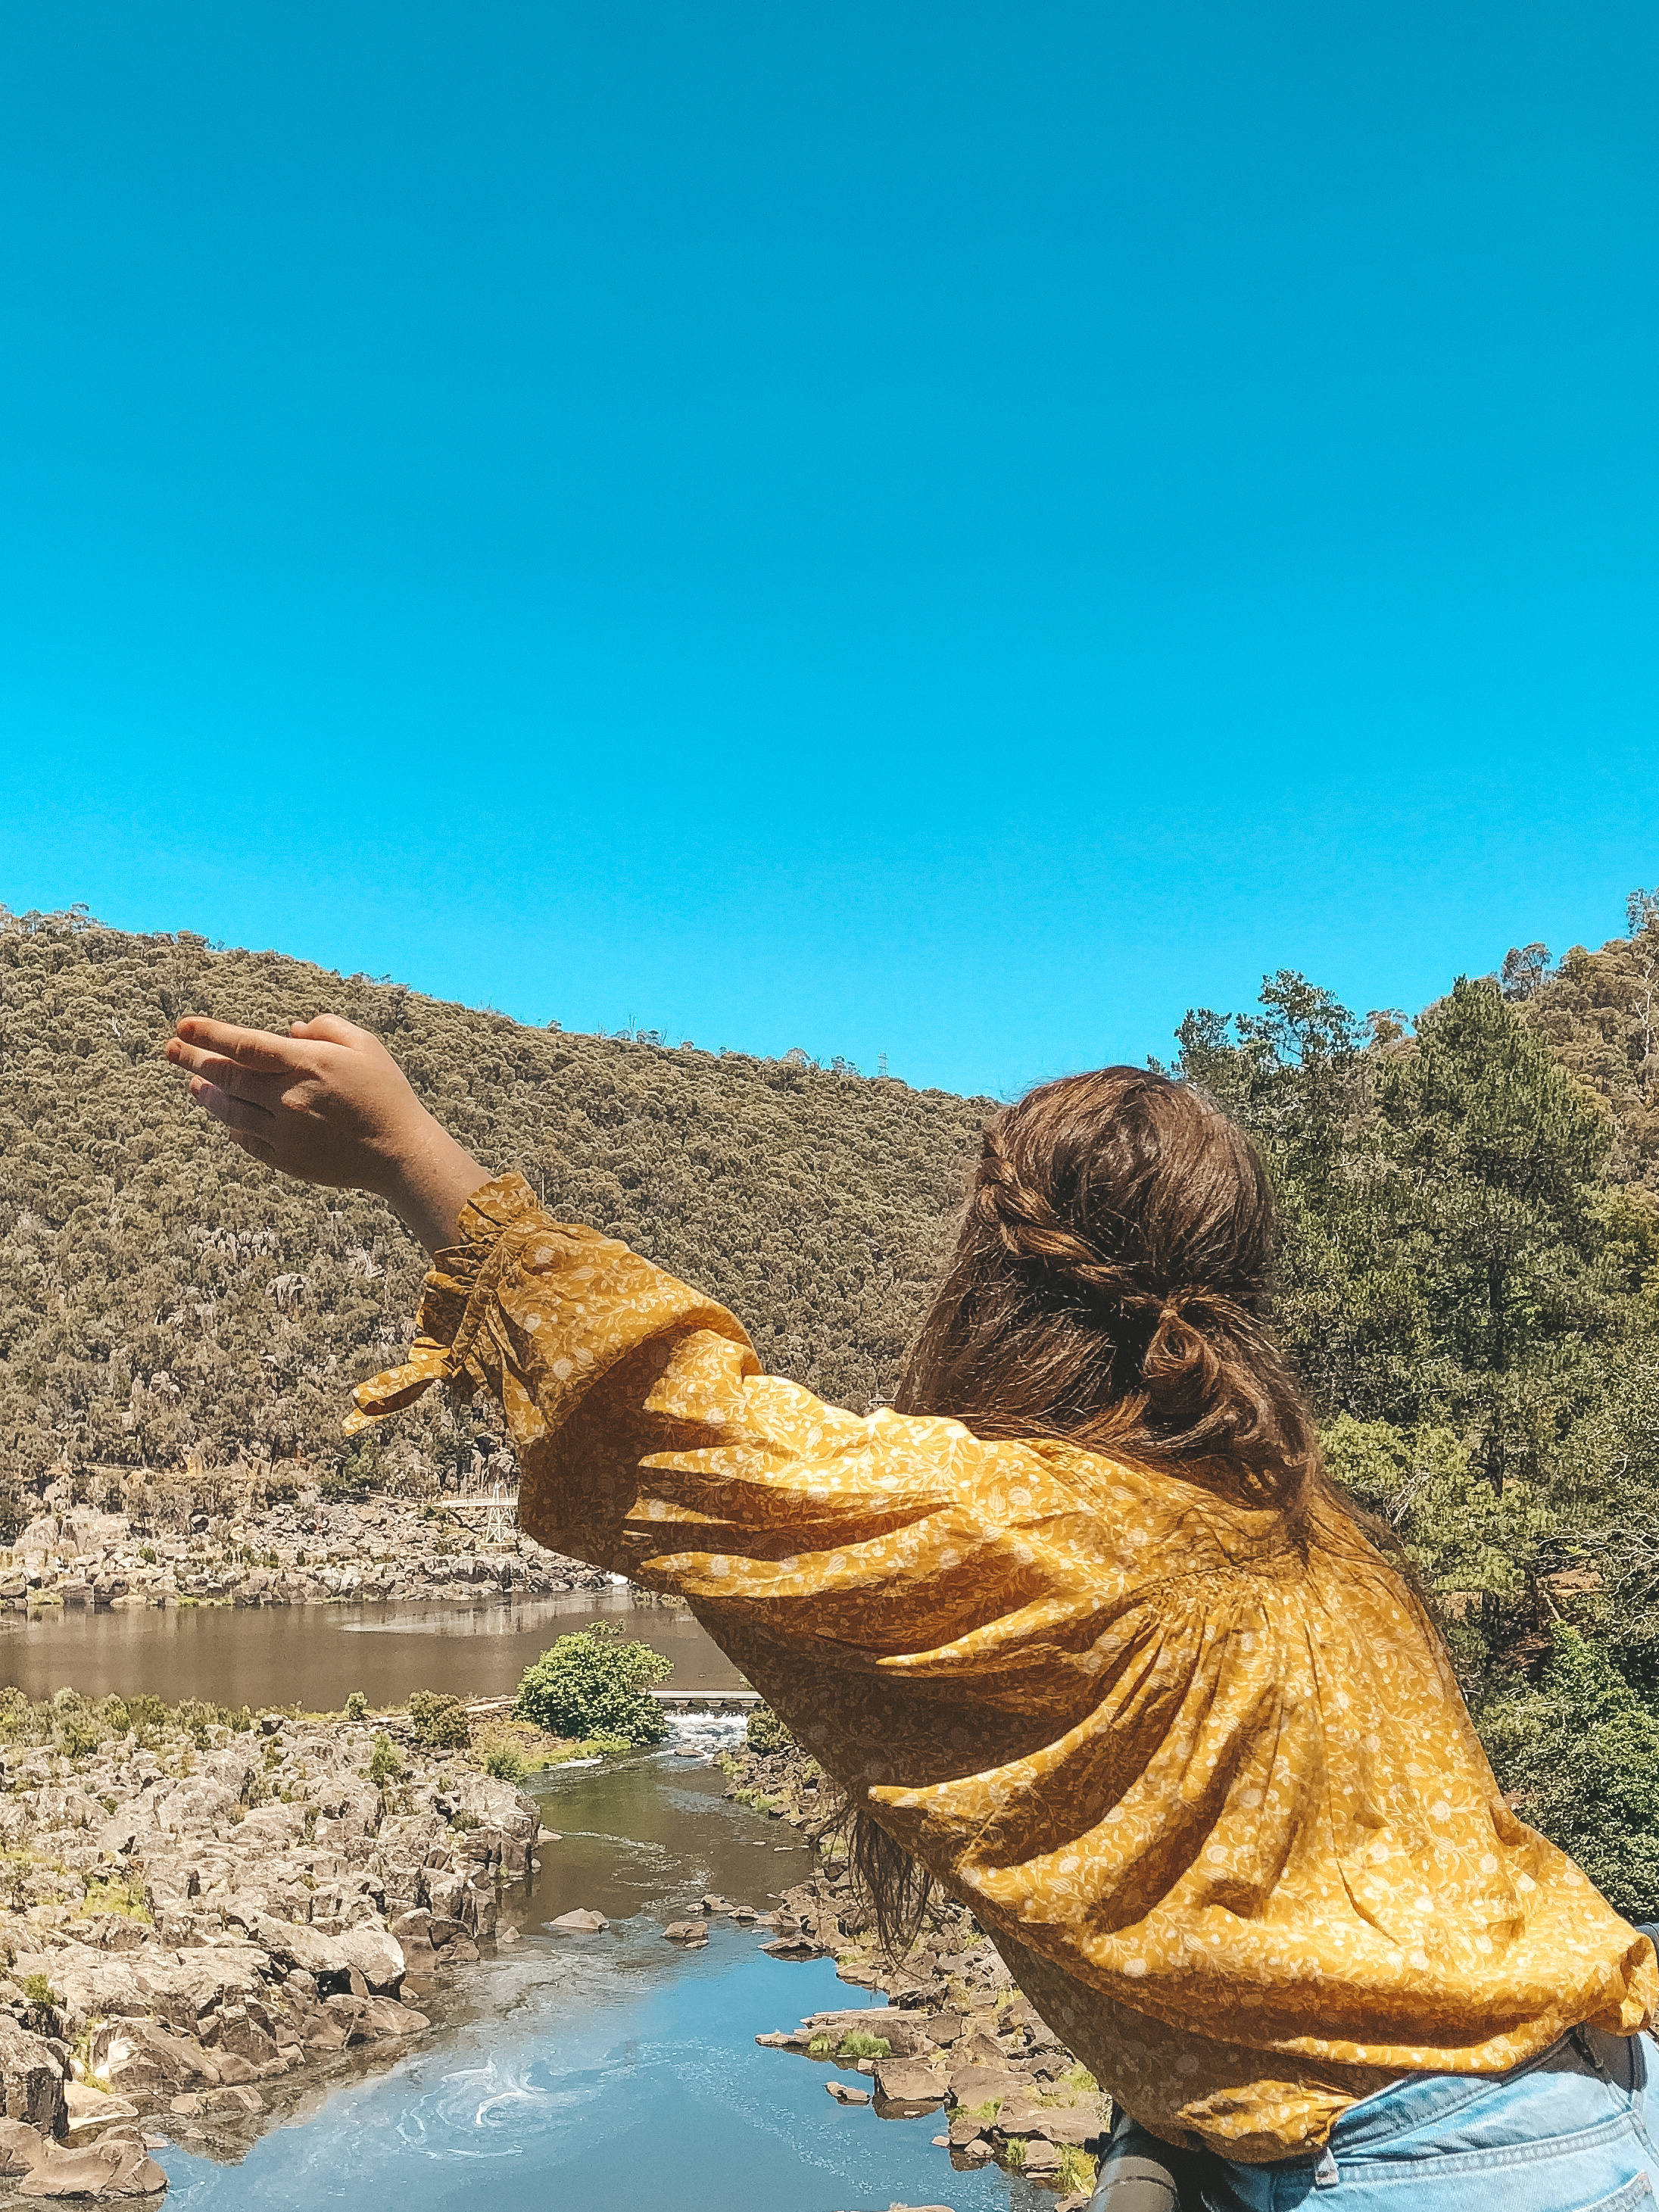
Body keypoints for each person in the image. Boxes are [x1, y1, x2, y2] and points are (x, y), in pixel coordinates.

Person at [167, 1011, 1659, 2212]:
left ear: (991, 1269)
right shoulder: (1305, 1525)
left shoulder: (1059, 1525)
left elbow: (694, 1429)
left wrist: (415, 1164)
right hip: (1575, 2102)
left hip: (1441, 2166)